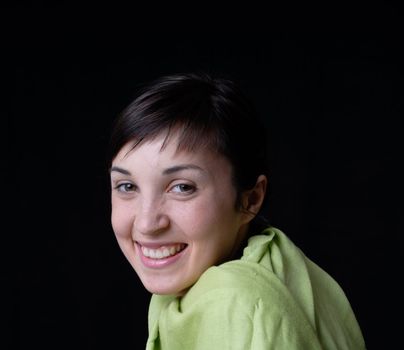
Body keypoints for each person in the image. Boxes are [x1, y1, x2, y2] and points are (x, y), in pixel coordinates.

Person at [107, 72, 366, 349]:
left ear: (250, 200)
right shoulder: (280, 262)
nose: (147, 223)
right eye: (127, 186)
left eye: (182, 187)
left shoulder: (237, 300)